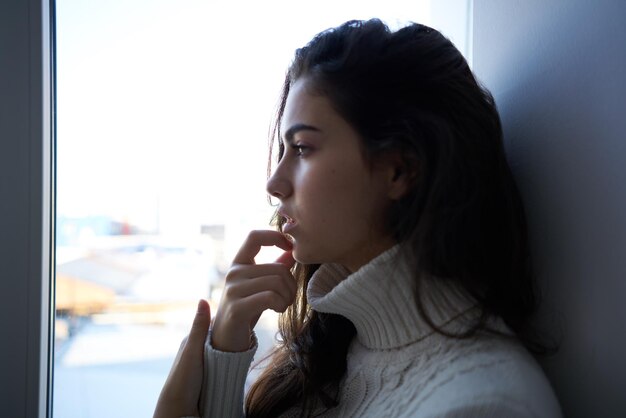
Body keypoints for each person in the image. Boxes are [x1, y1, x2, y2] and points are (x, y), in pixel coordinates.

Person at [154, 19, 562, 418]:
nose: (274, 183)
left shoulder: (483, 404)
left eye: (302, 148)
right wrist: (226, 351)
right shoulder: (335, 352)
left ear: (399, 171)